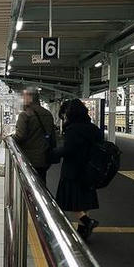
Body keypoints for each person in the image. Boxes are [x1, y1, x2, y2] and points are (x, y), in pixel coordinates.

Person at [53, 99, 102, 240]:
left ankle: (88, 222)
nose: (64, 118)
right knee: (84, 201)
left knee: (73, 202)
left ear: (70, 114)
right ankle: (83, 230)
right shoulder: (93, 128)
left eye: (64, 115)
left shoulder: (73, 129)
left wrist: (52, 153)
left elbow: (69, 150)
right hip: (90, 170)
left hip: (73, 171)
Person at [13, 88, 56, 182]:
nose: (23, 100)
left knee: (29, 184)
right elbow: (52, 137)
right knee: (41, 182)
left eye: (24, 97)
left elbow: (20, 136)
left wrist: (11, 138)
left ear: (30, 98)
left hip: (29, 158)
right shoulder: (48, 114)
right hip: (45, 157)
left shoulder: (24, 115)